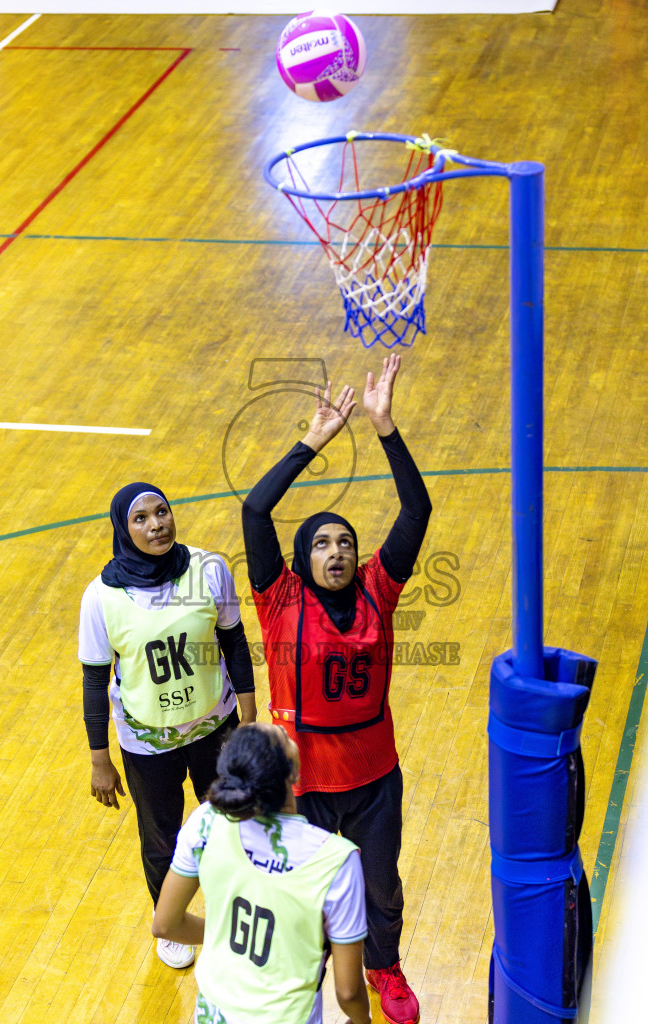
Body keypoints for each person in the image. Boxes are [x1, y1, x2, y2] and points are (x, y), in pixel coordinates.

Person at [241, 354, 431, 1024]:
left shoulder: (380, 587)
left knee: (381, 889)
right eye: (321, 543)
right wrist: (311, 442)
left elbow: (416, 509)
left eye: (345, 542)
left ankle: (385, 966)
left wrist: (385, 428)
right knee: (304, 895)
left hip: (375, 777)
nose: (337, 551)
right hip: (305, 783)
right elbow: (255, 509)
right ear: (303, 557)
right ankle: (304, 979)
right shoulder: (279, 598)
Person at [79, 482, 256, 969]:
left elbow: (234, 641)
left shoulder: (209, 568)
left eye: (162, 512)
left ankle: (239, 916)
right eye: (141, 518)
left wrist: (249, 717)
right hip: (147, 743)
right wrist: (99, 760)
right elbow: (94, 681)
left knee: (235, 824)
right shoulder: (100, 597)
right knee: (160, 838)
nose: (156, 524)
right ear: (123, 529)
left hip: (217, 728)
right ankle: (171, 921)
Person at [153, 721, 371, 1024]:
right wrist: (363, 1021)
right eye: (283, 737)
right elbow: (348, 992)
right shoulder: (337, 859)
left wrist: (225, 933)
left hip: (214, 1013)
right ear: (294, 773)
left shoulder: (206, 820)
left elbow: (165, 925)